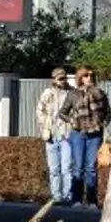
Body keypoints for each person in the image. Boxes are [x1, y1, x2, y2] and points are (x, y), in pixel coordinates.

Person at [62, 66, 111, 207]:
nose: (89, 78)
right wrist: (71, 121)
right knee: (78, 167)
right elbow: (62, 112)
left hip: (95, 134)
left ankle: (92, 201)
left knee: (91, 167)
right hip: (77, 133)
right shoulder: (73, 94)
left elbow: (108, 112)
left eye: (91, 75)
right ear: (80, 78)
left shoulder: (100, 93)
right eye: (85, 75)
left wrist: (103, 123)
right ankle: (76, 199)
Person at [35, 67, 75, 205]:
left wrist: (72, 124)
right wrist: (45, 126)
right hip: (51, 135)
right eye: (60, 78)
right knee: (54, 169)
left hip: (66, 135)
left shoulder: (71, 93)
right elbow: (39, 110)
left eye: (64, 78)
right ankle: (56, 196)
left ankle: (68, 196)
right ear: (54, 79)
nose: (63, 81)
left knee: (67, 168)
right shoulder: (48, 93)